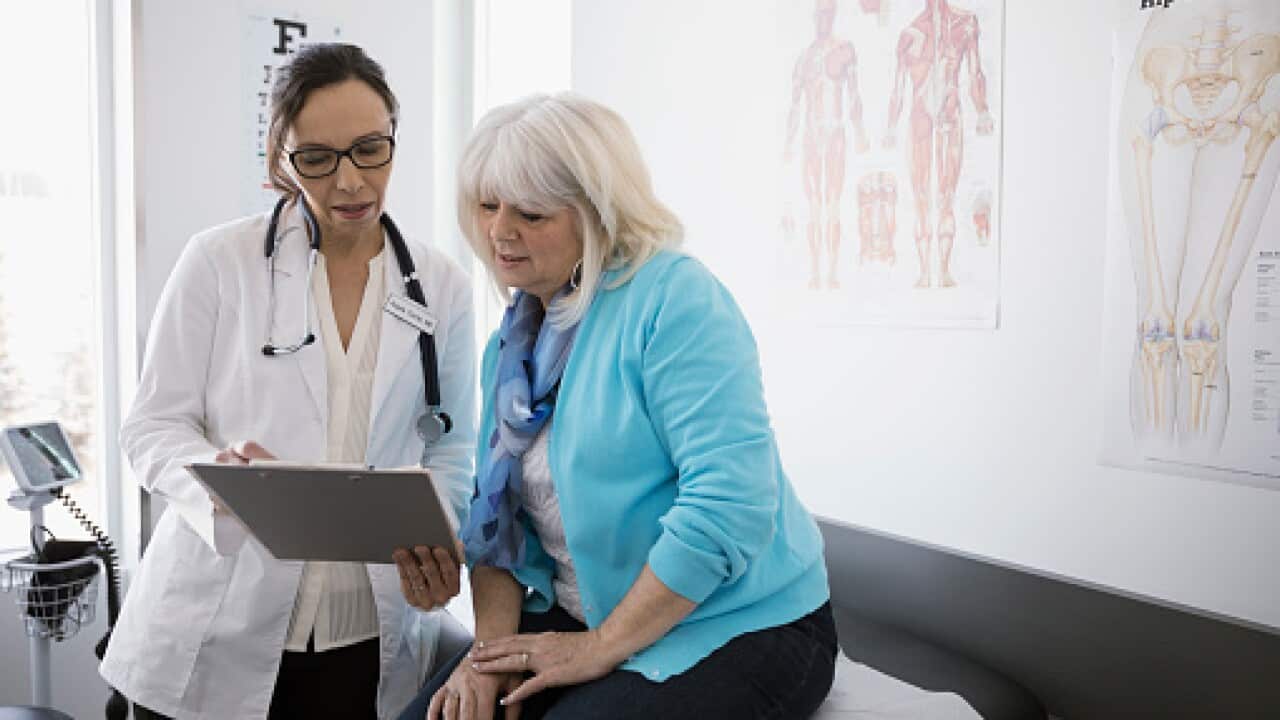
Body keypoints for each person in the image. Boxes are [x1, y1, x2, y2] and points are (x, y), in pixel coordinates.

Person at [403, 93, 836, 720]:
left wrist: (600, 648)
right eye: (487, 205)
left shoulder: (674, 302)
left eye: (530, 212)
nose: (500, 231)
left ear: (598, 215)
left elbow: (729, 506)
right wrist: (486, 658)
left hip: (738, 622)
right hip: (583, 612)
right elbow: (496, 523)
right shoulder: (512, 343)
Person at [99, 43, 477, 720]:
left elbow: (452, 445)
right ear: (282, 158)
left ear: (394, 136)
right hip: (214, 626)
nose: (351, 182)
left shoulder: (440, 283)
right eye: (318, 159)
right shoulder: (220, 262)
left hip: (364, 633)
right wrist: (216, 479)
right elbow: (150, 426)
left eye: (371, 149)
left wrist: (437, 539)